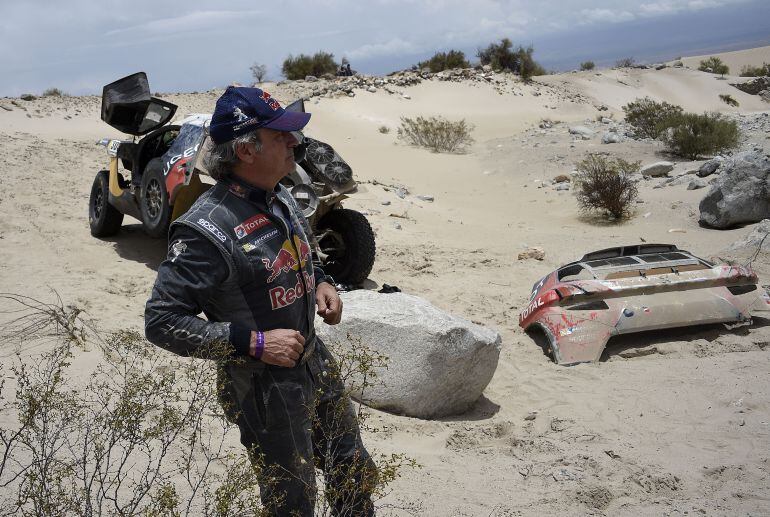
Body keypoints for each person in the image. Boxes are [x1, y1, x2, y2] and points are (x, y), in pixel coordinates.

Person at [145, 86, 376, 516]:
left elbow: (300, 255)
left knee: (353, 473)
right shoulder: (205, 230)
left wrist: (321, 281)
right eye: (280, 135)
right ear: (247, 151)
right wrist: (254, 343)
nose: (295, 142)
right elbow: (161, 321)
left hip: (314, 360)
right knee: (292, 501)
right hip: (264, 387)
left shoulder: (281, 195)